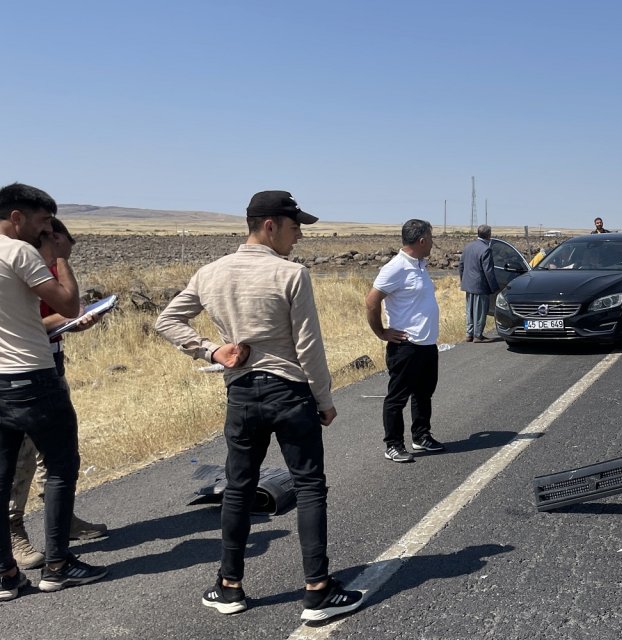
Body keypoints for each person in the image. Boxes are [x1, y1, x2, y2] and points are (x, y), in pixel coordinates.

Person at [155, 190, 361, 620]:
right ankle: (317, 590)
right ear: (269, 225)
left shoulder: (210, 273)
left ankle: (229, 587)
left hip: (243, 393)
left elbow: (167, 321)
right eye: (294, 225)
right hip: (289, 392)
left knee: (239, 488)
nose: (299, 235)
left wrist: (212, 351)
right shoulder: (291, 274)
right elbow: (308, 345)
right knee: (308, 487)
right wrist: (324, 398)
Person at [1, 183, 108, 602]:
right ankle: (60, 566)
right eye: (44, 221)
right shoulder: (19, 252)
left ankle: (6, 576)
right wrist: (59, 257)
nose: (47, 230)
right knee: (61, 469)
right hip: (33, 378)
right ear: (17, 217)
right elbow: (68, 304)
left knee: (2, 475)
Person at [365, 219, 446, 465]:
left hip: (427, 345)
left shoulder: (420, 264)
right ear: (422, 241)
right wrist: (381, 332)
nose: (433, 243)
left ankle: (421, 436)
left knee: (424, 394)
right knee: (397, 398)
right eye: (431, 239)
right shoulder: (396, 267)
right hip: (406, 346)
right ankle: (393, 445)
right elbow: (371, 301)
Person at [459, 224, 500, 343]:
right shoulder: (485, 249)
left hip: (468, 284)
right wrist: (494, 287)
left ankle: (469, 333)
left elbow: (461, 265)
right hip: (480, 286)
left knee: (470, 310)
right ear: (489, 235)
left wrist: (463, 280)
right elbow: (488, 270)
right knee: (480, 311)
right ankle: (478, 335)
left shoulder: (468, 246)